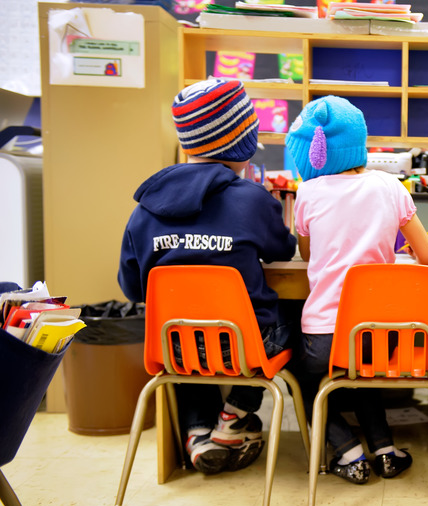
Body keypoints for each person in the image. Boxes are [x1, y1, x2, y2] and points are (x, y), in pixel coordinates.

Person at [117, 79, 298, 475]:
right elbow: (283, 251)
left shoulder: (144, 209)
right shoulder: (252, 199)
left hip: (171, 349)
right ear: (244, 141)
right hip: (244, 349)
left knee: (189, 332)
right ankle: (233, 416)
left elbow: (132, 287)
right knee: (295, 320)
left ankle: (198, 433)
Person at [285, 95, 428, 485]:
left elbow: (306, 254)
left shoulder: (308, 193)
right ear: (360, 144)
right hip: (381, 335)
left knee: (300, 378)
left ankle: (347, 450)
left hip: (323, 336)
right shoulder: (390, 187)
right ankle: (384, 449)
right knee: (362, 368)